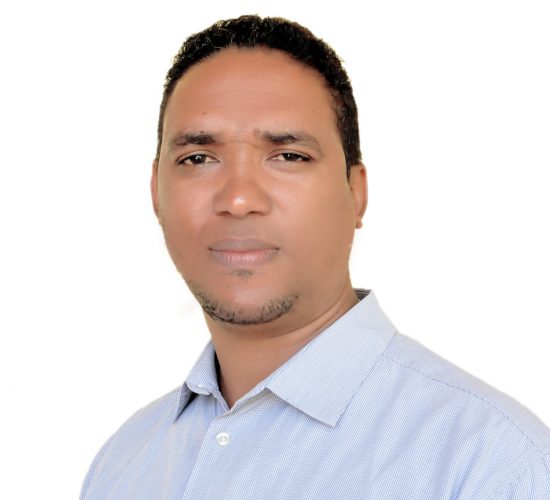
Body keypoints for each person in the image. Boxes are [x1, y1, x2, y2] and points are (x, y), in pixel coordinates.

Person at [79, 15, 550, 499]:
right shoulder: (122, 466)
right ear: (156, 192)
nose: (239, 199)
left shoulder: (492, 465)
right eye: (197, 158)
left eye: (289, 156)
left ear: (356, 193)